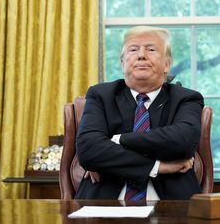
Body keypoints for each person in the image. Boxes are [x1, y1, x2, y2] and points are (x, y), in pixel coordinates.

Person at [74, 26, 204, 200]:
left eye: (151, 49)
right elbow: (89, 150)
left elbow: (183, 141)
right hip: (103, 202)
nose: (141, 55)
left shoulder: (186, 98)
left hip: (174, 204)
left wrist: (116, 140)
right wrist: (158, 166)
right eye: (133, 49)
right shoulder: (101, 95)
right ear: (123, 63)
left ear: (167, 64)